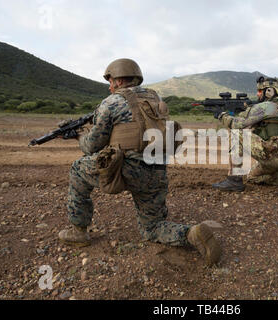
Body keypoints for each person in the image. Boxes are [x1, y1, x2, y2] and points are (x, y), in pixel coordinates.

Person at [58, 58, 221, 266]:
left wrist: (77, 136)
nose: (109, 87)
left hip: (125, 170)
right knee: (152, 227)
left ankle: (78, 231)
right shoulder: (156, 99)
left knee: (77, 169)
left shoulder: (111, 103)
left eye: (110, 81)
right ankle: (191, 234)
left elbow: (91, 146)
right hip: (157, 170)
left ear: (118, 81)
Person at [212, 77, 278, 192]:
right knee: (252, 177)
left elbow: (238, 124)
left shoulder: (266, 106)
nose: (258, 94)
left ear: (270, 91)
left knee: (236, 133)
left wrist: (222, 116)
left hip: (273, 157)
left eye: (260, 91)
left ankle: (234, 180)